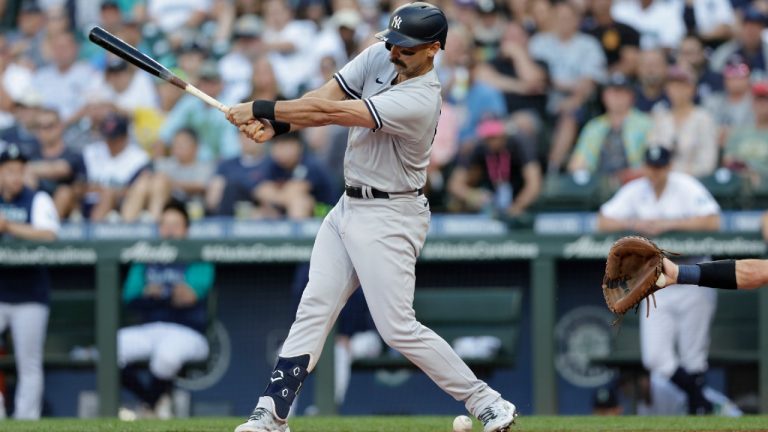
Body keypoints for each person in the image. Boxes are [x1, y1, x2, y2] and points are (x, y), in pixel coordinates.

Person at [226, 3, 518, 432]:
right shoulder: (383, 52)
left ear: (434, 49)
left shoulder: (422, 98)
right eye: (394, 42)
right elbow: (321, 99)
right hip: (349, 206)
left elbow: (332, 114)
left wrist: (261, 106)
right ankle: (272, 413)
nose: (395, 52)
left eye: (407, 48)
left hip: (392, 213)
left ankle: (487, 400)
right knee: (314, 307)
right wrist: (279, 126)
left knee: (397, 328)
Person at [597, 146, 721, 415]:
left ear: (668, 166)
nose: (654, 172)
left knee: (693, 356)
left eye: (660, 167)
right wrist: (636, 222)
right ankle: (701, 400)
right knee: (655, 358)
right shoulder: (636, 190)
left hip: (694, 275)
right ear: (645, 167)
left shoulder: (686, 186)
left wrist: (669, 224)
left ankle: (698, 412)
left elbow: (713, 220)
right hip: (658, 280)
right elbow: (603, 220)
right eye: (650, 167)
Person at [118, 199, 214, 418]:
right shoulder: (146, 256)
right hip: (149, 328)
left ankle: (148, 406)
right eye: (165, 225)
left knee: (167, 356)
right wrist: (157, 292)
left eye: (175, 225)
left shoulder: (198, 255)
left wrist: (157, 291)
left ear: (186, 229)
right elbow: (129, 295)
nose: (169, 231)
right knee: (110, 348)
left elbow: (188, 296)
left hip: (187, 331)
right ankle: (150, 402)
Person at [0, 143, 60, 420]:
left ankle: (27, 421)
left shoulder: (37, 198)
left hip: (30, 292)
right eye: (8, 171)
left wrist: (9, 227)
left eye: (18, 171)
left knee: (29, 362)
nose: (13, 176)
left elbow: (49, 234)